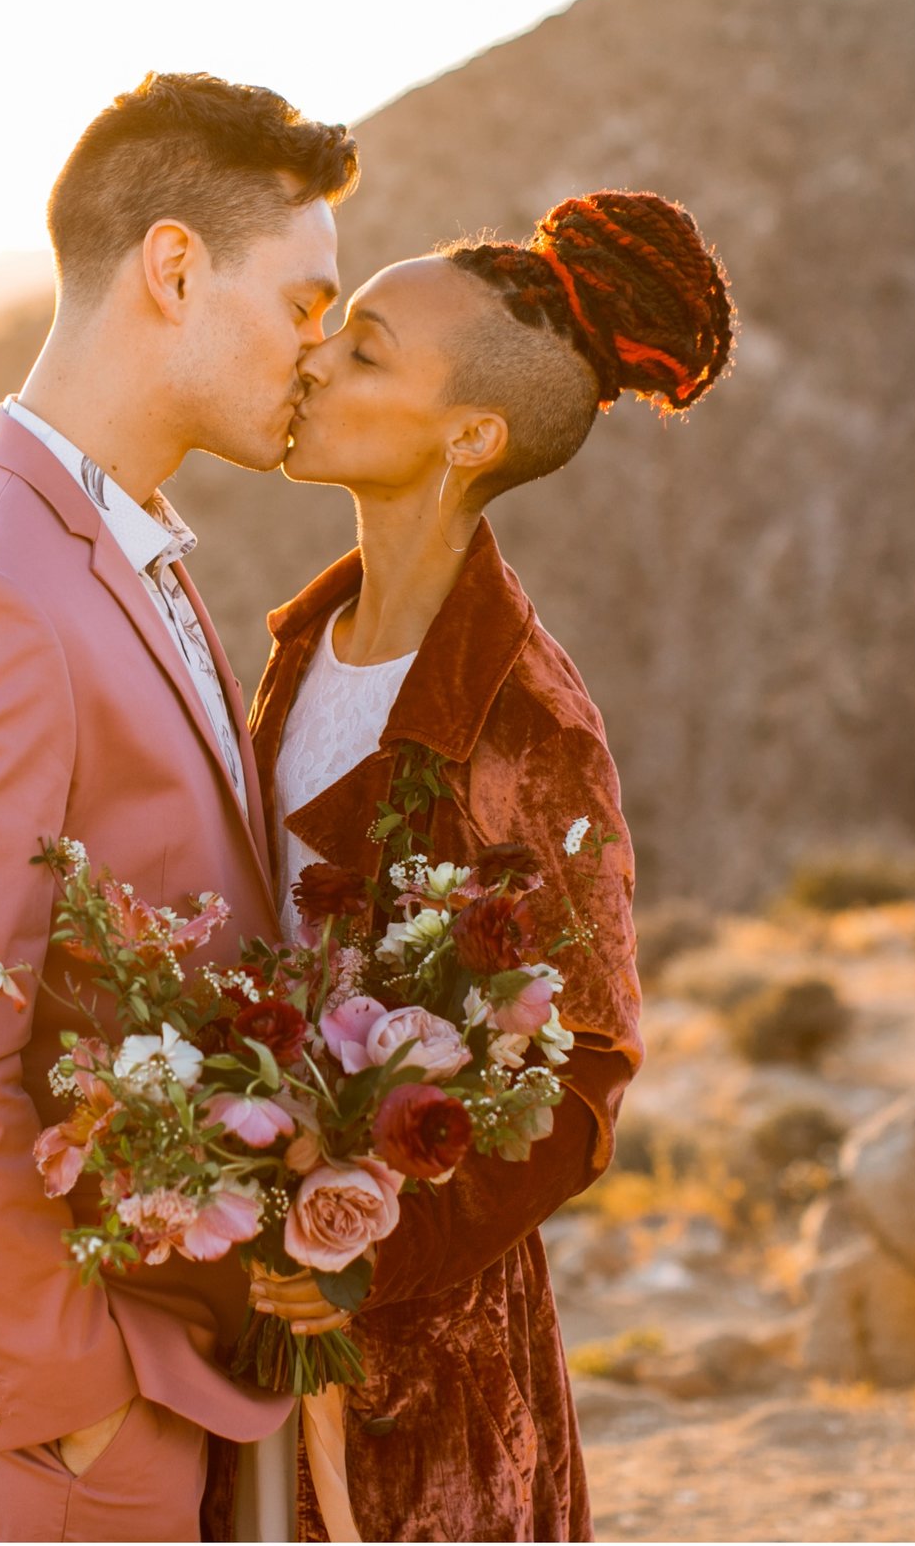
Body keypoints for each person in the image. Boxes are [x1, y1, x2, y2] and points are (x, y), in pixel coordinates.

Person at [0, 71, 357, 1542]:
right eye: (305, 305)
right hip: (80, 1436)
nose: (322, 351)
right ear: (175, 269)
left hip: (181, 1376)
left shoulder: (125, 548)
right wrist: (77, 1398)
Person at [205, 189, 737, 1541]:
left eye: (367, 349)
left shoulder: (526, 721)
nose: (315, 356)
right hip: (252, 1324)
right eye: (334, 327)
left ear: (470, 436)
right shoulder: (307, 640)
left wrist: (364, 1251)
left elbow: (586, 1069)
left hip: (424, 1378)